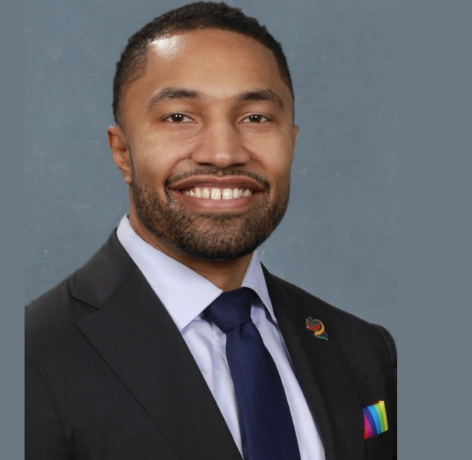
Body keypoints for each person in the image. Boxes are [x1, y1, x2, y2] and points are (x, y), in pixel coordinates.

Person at [25, 3, 396, 459]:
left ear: (292, 142)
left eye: (255, 117)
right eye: (179, 117)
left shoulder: (363, 351)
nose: (223, 153)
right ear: (122, 152)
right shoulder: (31, 360)